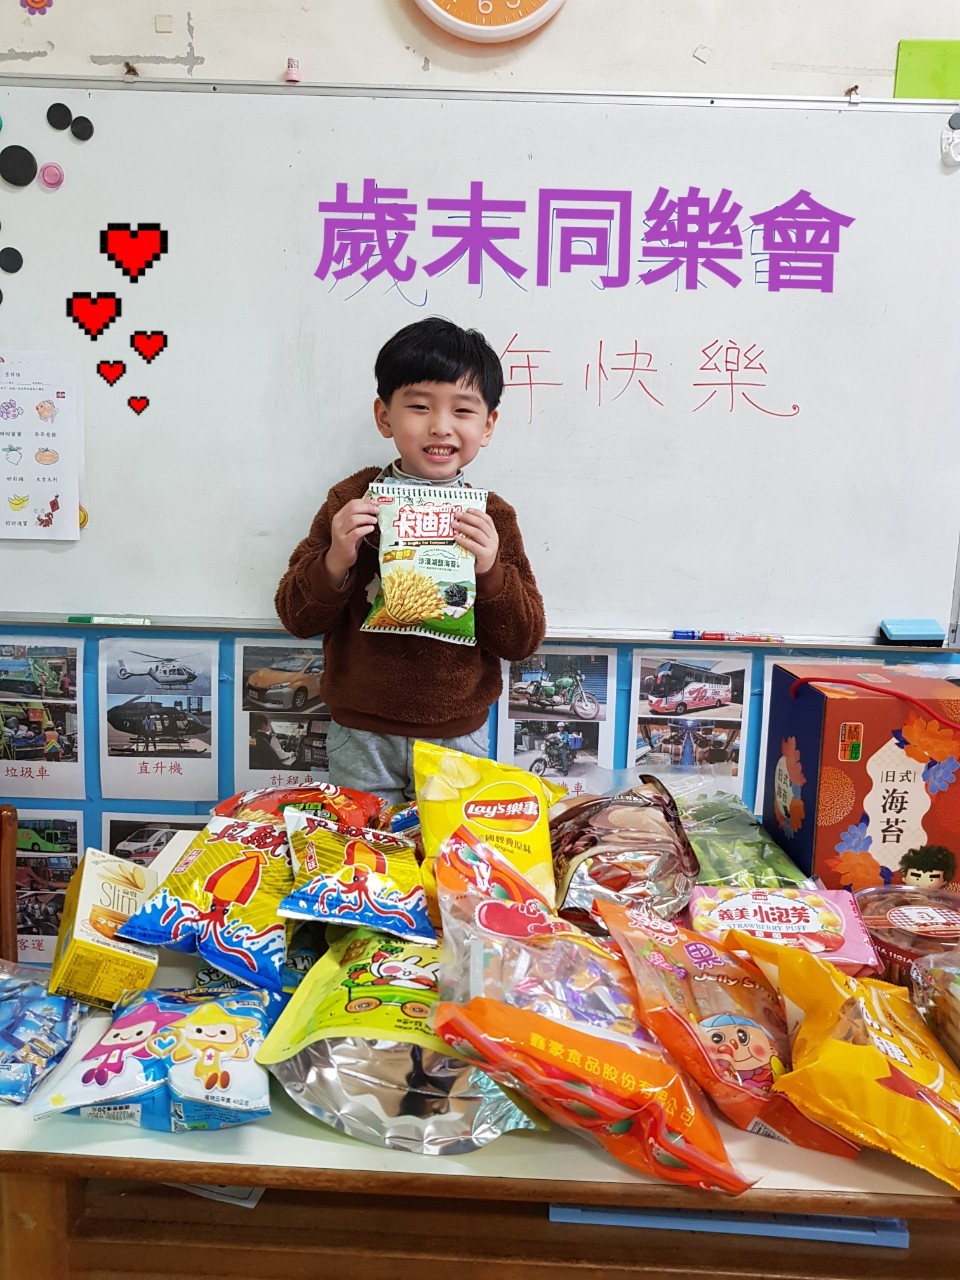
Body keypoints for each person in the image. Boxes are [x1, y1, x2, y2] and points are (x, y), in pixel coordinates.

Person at [275, 316, 545, 806]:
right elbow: (297, 617)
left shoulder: (492, 517)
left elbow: (522, 641)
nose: (440, 425)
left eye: (462, 410)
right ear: (384, 417)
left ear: (487, 425)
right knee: (365, 847)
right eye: (419, 406)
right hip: (360, 733)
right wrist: (335, 560)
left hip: (457, 735)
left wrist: (490, 573)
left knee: (445, 850)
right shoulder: (351, 500)